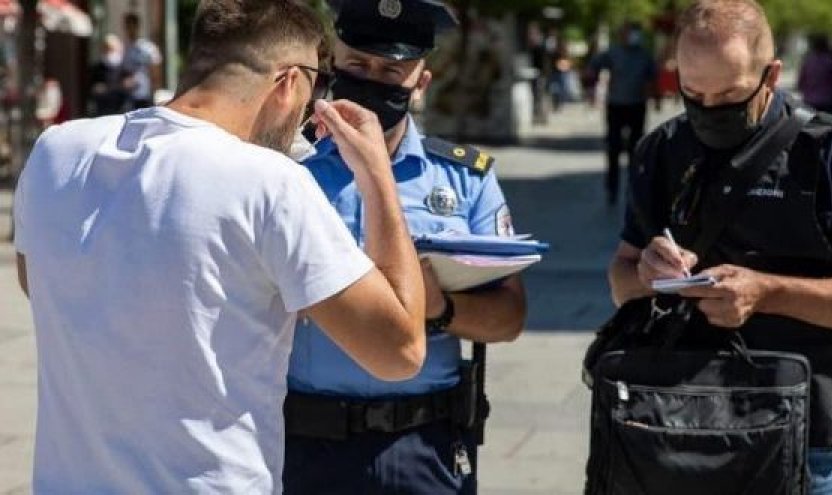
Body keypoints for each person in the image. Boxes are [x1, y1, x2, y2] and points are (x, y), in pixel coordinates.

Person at [14, 1, 428, 492]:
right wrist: (378, 175)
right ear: (289, 83)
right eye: (317, 88)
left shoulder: (58, 150)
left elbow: (36, 282)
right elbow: (399, 351)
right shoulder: (271, 182)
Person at [608, 1, 832, 494]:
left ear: (771, 75)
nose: (709, 109)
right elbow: (621, 279)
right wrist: (644, 274)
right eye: (693, 93)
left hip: (808, 447)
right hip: (680, 432)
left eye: (729, 94)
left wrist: (768, 293)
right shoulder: (660, 150)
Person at [282, 1, 527, 494]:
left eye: (391, 70)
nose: (372, 79)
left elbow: (509, 317)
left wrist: (439, 308)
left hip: (424, 444)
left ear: (420, 84)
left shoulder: (464, 179)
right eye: (358, 66)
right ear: (333, 66)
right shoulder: (288, 171)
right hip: (307, 443)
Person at [587, 22, 658, 206]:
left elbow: (653, 77)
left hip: (637, 105)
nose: (632, 36)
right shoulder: (613, 53)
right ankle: (612, 189)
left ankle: (634, 190)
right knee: (613, 148)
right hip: (616, 105)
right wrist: (591, 86)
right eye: (629, 32)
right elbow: (594, 66)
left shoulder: (644, 55)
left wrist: (655, 97)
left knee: (637, 150)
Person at [121, 12, 162, 109]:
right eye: (127, 26)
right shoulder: (125, 48)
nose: (129, 30)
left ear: (137, 26)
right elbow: (124, 71)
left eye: (131, 26)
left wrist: (154, 91)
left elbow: (155, 72)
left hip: (145, 94)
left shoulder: (148, 48)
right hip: (129, 95)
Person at [797, 34, 832, 114]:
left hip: (810, 101)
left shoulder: (808, 61)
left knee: (812, 125)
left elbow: (801, 81)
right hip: (827, 101)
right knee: (828, 125)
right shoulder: (830, 61)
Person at [88, 33, 125, 116]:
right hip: (102, 108)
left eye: (111, 49)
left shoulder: (123, 67)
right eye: (106, 48)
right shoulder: (97, 67)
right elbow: (91, 86)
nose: (108, 51)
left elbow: (127, 85)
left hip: (119, 108)